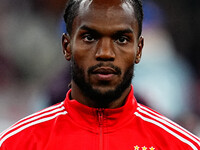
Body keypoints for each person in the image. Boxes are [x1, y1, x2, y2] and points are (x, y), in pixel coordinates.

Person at [0, 0, 199, 149]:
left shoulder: (179, 145)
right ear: (66, 46)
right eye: (89, 37)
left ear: (138, 50)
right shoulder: (17, 143)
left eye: (121, 39)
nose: (105, 53)